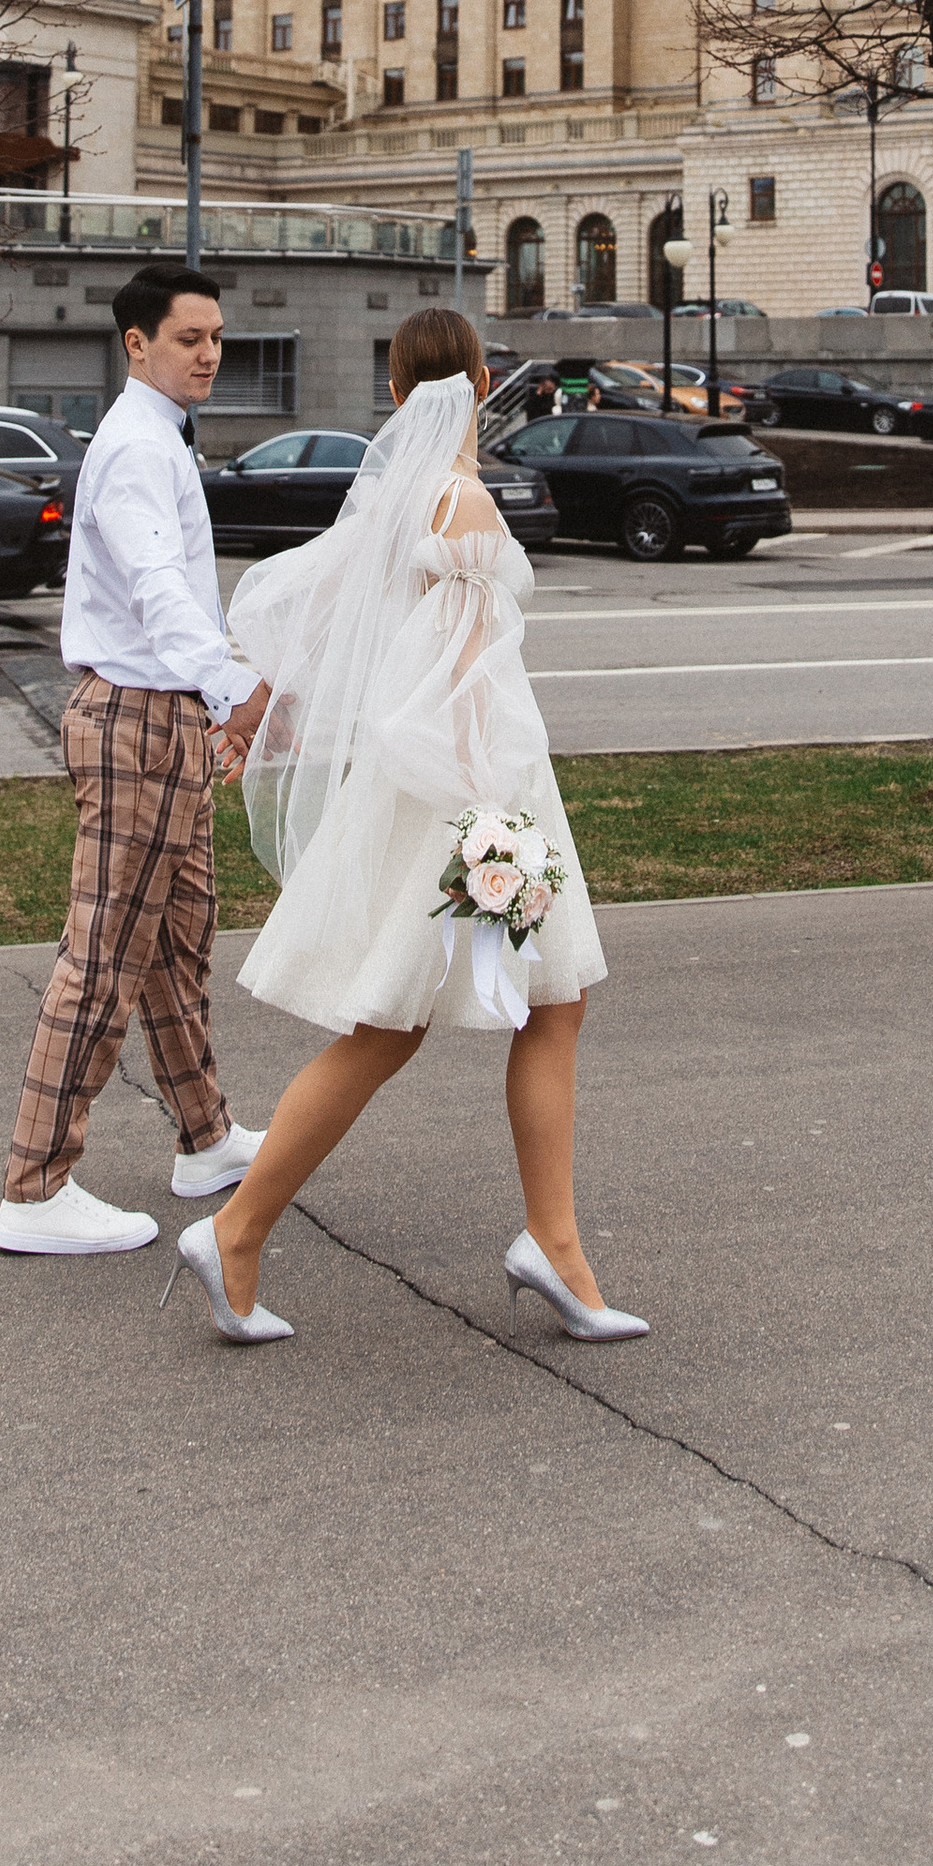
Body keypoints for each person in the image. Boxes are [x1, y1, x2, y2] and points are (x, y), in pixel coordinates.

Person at [171, 303, 641, 1351]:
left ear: (394, 394)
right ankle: (242, 1228)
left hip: (427, 792)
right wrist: (499, 823)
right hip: (477, 795)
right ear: (479, 385)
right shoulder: (460, 501)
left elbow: (308, 618)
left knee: (519, 1009)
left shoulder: (385, 499)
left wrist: (258, 715)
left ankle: (548, 1243)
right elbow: (471, 678)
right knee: (437, 1020)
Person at [0, 268, 270, 1258]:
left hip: (168, 716)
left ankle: (204, 1137)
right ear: (135, 343)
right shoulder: (134, 450)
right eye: (188, 337)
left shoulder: (157, 439)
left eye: (216, 337)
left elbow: (177, 596)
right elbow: (158, 588)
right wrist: (235, 691)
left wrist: (215, 701)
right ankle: (35, 1188)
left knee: (175, 944)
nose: (207, 354)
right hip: (136, 721)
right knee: (105, 956)